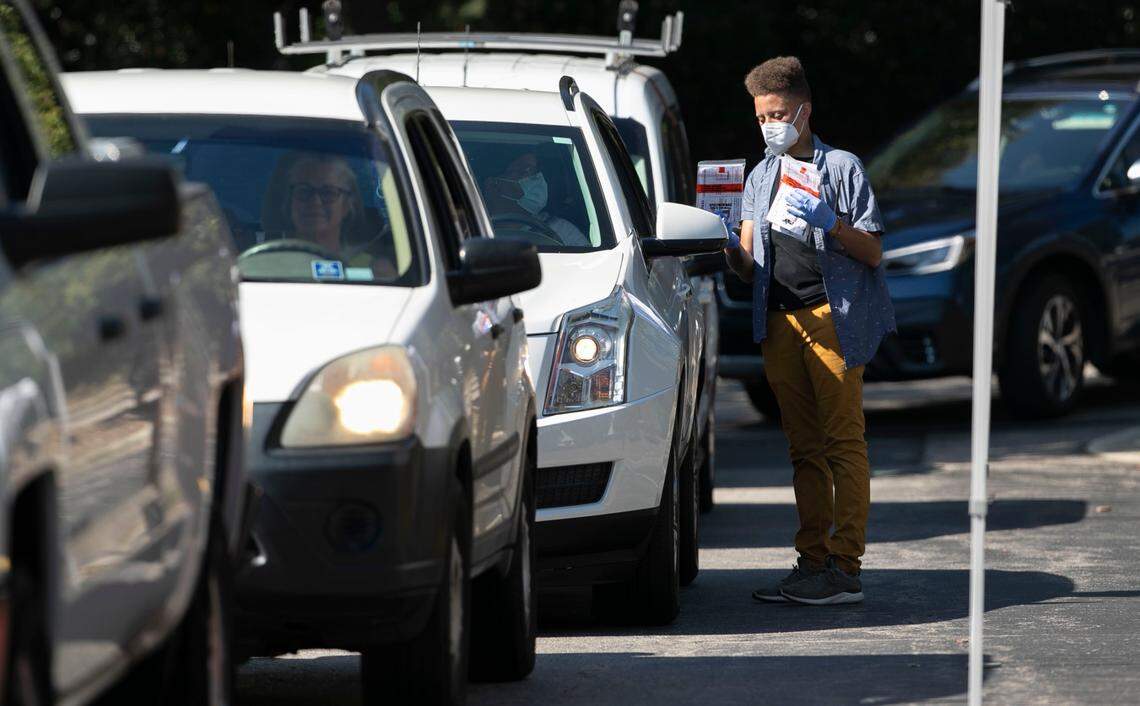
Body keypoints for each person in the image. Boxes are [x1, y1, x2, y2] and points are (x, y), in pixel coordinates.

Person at [724, 56, 896, 605]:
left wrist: (831, 221)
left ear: (804, 111)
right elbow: (747, 261)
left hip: (832, 319)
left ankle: (845, 568)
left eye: (777, 114)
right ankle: (811, 561)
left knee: (844, 441)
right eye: (760, 118)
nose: (769, 125)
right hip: (779, 321)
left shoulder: (841, 167)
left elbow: (872, 251)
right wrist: (721, 240)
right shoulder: (760, 175)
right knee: (803, 449)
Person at [265, 152, 396, 277]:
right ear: (289, 203)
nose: (315, 201)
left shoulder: (372, 271)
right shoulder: (262, 268)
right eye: (303, 191)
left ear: (347, 205)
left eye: (328, 193)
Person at [483, 151, 588, 246]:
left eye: (531, 171)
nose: (534, 180)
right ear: (493, 184)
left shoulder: (560, 228)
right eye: (517, 170)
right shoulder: (472, 224)